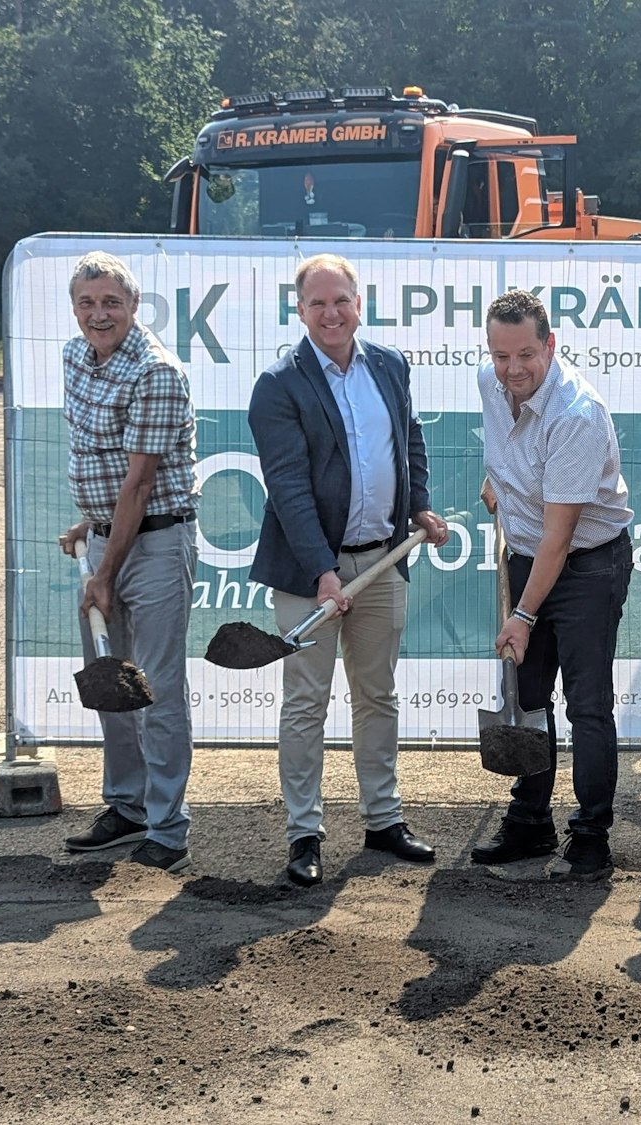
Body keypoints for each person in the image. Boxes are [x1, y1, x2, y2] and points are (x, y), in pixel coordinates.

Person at [248, 253, 451, 888]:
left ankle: (383, 820)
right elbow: (287, 486)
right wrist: (321, 571)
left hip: (382, 561)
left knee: (377, 694)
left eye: (341, 301)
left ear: (359, 304)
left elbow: (408, 438)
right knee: (306, 702)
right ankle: (303, 833)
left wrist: (417, 503)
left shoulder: (388, 365)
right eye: (318, 304)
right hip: (311, 574)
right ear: (300, 310)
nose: (331, 314)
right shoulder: (278, 385)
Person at [469, 290, 635, 880]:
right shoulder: (493, 386)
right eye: (500, 355)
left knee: (587, 706)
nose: (513, 370)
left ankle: (591, 836)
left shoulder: (576, 415)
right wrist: (501, 486)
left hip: (587, 566)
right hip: (525, 555)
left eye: (526, 355)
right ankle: (530, 823)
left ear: (551, 346)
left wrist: (524, 614)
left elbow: (559, 540)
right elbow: (508, 457)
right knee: (529, 698)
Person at [55, 251, 200, 873]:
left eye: (111, 302)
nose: (98, 314)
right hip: (111, 538)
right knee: (114, 681)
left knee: (158, 689)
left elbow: (142, 484)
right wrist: (94, 521)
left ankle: (167, 828)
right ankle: (127, 807)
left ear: (134, 306)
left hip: (157, 545)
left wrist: (103, 574)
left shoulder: (157, 372)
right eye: (87, 303)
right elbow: (104, 459)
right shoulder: (74, 358)